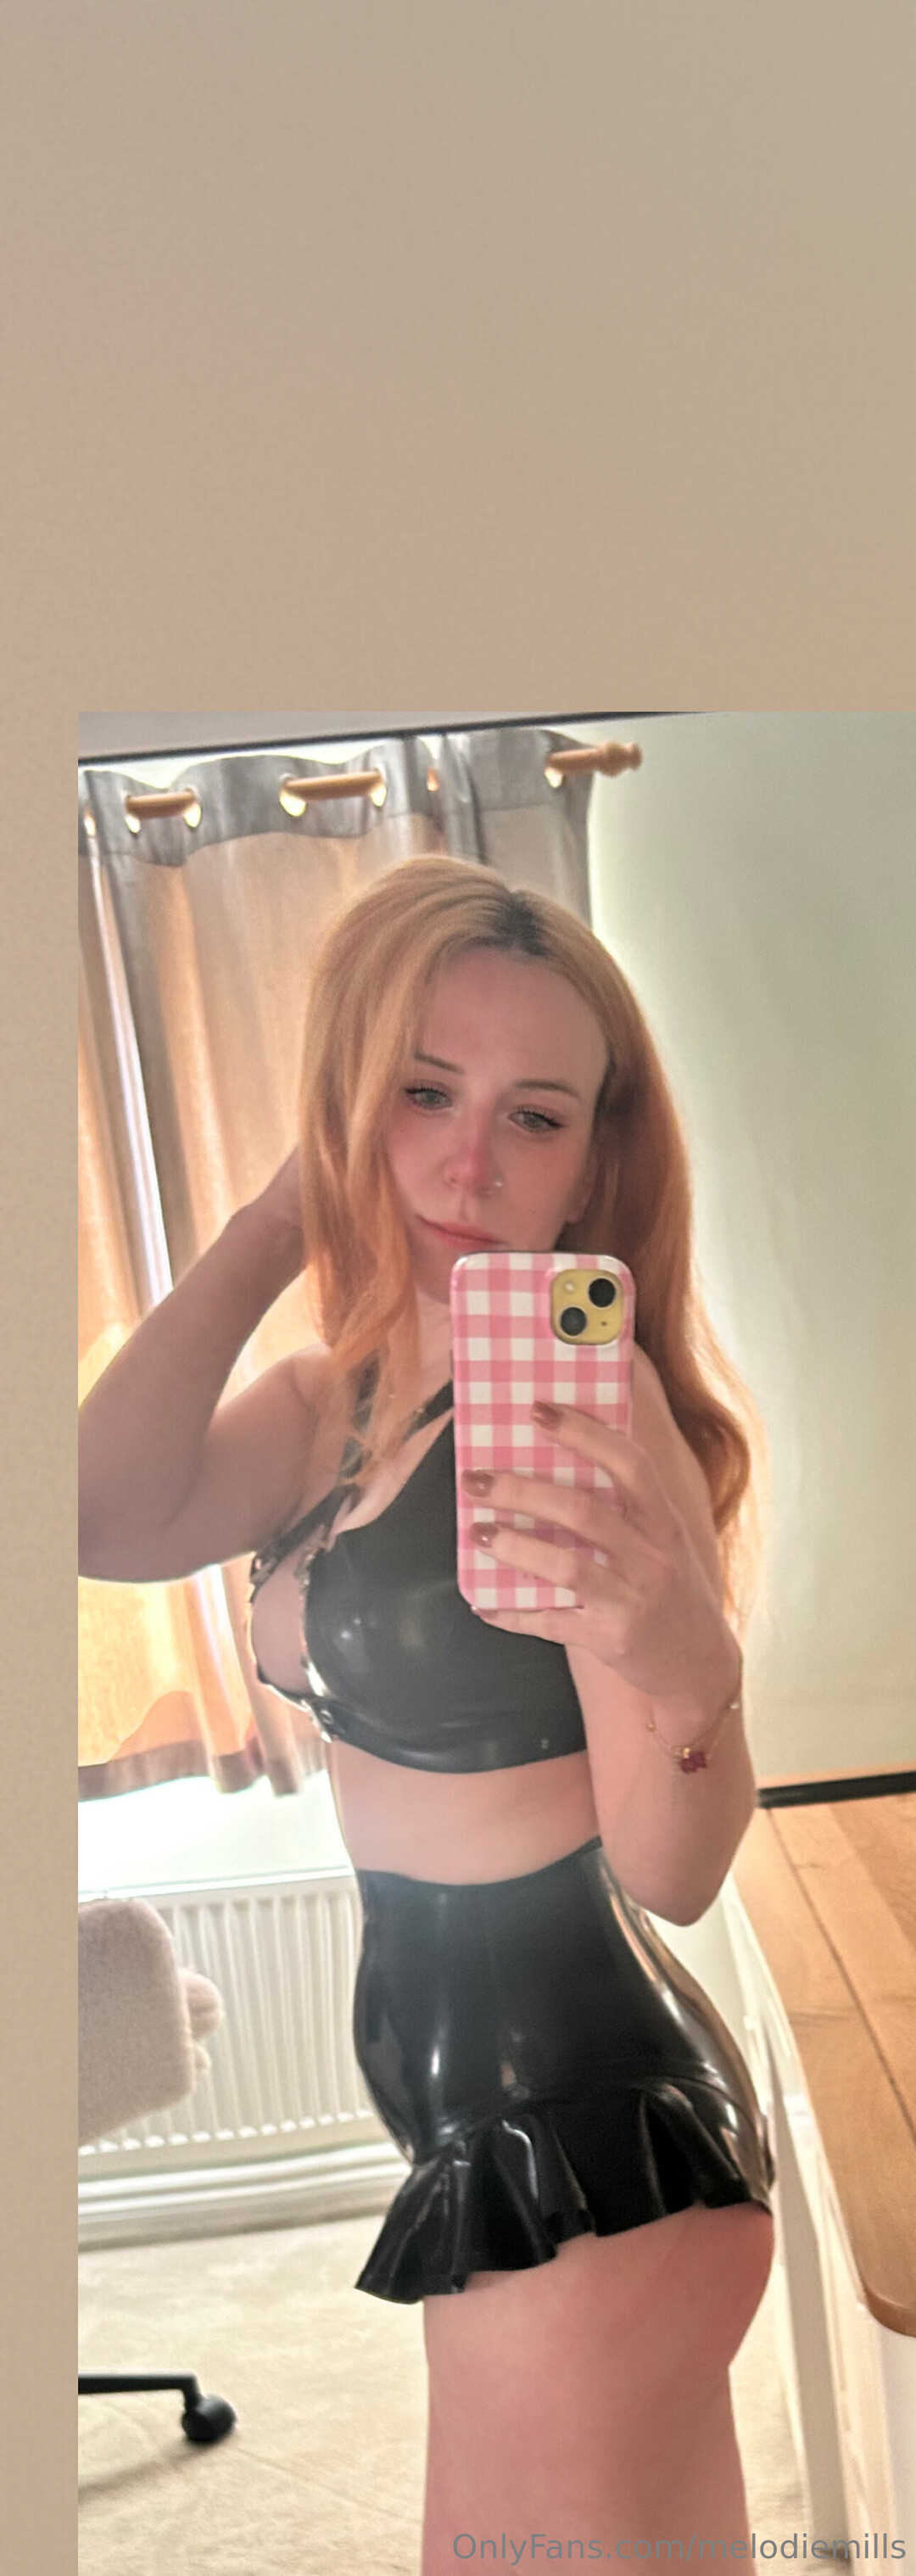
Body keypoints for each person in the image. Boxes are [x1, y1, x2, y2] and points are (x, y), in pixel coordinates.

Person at [80, 854, 777, 2568]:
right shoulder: (338, 1398)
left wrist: (689, 1664)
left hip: (590, 2140)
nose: (472, 1162)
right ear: (347, 1102)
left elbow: (675, 1869)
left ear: (594, 1159)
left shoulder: (590, 1412)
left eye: (535, 1116)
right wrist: (275, 1220)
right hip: (487, 2131)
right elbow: (94, 1510)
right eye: (420, 1092)